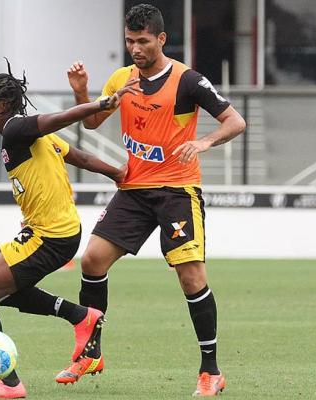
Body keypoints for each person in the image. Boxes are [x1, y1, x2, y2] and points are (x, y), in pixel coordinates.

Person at [60, 4, 246, 397]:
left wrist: (203, 141)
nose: (135, 49)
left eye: (143, 41)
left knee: (191, 276)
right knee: (92, 259)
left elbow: (235, 121)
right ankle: (90, 352)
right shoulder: (121, 78)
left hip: (177, 191)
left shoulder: (187, 81)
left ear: (161, 39)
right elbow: (93, 121)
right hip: (133, 189)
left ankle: (211, 371)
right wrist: (82, 93)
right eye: (130, 41)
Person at [0, 60, 136, 400]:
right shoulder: (28, 137)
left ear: (4, 105)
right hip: (58, 232)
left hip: (49, 236)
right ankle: (82, 316)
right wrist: (115, 172)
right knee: (0, 291)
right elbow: (80, 157)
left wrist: (100, 104)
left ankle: (8, 384)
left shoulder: (16, 129)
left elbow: (55, 119)